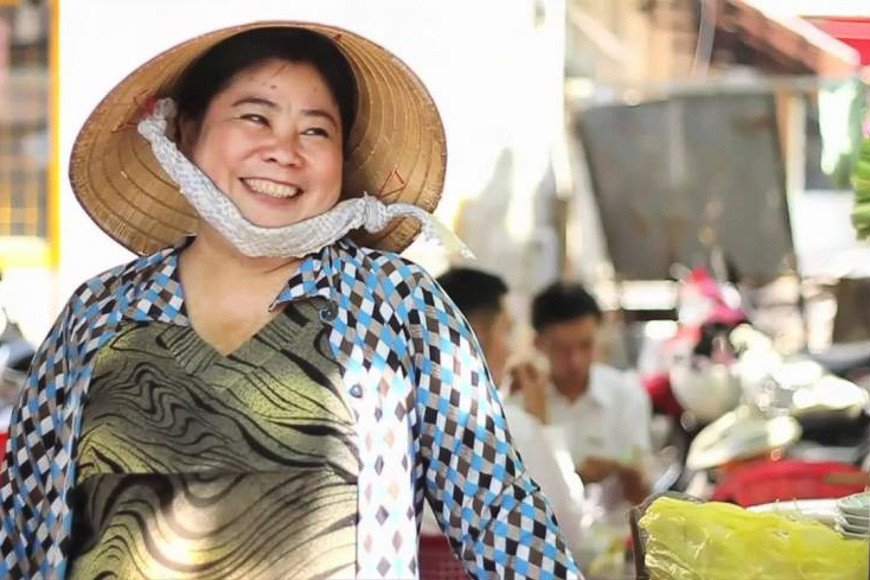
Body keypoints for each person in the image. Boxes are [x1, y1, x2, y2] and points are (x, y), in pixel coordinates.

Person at [0, 23, 580, 579]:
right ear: (183, 133)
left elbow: (500, 516)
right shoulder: (100, 313)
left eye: (315, 130)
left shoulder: (401, 306)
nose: (284, 151)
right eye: (255, 117)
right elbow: (20, 525)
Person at [435, 267, 585, 558]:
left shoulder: (397, 417)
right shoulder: (508, 428)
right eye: (507, 330)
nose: (511, 349)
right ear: (473, 335)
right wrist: (541, 423)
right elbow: (569, 531)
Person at [530, 282, 652, 508]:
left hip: (617, 534)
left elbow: (642, 489)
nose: (575, 360)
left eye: (585, 345)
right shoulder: (524, 404)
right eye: (562, 349)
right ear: (538, 343)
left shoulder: (627, 396)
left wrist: (623, 469)